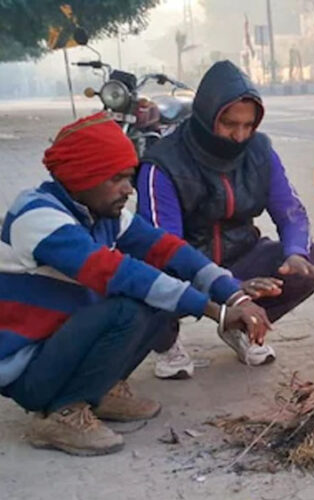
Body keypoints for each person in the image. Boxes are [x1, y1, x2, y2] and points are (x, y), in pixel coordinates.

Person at [0, 113, 272, 455]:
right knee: (129, 304)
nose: (128, 190)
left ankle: (101, 389)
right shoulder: (38, 217)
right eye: (117, 179)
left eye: (129, 178)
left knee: (162, 286)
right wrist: (215, 313)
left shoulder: (102, 213)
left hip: (60, 347)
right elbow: (118, 273)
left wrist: (233, 294)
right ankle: (63, 412)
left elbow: (171, 251)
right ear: (83, 177)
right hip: (27, 372)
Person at [138, 60, 314, 378]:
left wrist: (296, 253)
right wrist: (232, 288)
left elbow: (290, 210)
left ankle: (240, 325)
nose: (240, 136)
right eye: (229, 124)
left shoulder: (260, 152)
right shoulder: (161, 164)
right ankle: (166, 342)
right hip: (184, 266)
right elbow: (165, 249)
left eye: (248, 125)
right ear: (205, 116)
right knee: (148, 271)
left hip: (240, 255)